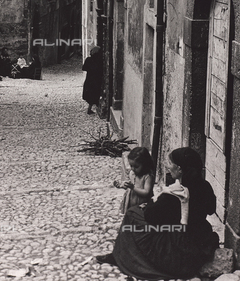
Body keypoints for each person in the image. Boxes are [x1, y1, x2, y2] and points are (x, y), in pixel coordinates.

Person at [96, 147, 219, 280]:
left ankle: (124, 257)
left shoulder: (175, 193)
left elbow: (151, 216)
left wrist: (150, 204)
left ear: (180, 169)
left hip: (178, 242)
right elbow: (211, 209)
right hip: (199, 236)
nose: (168, 167)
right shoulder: (204, 186)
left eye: (170, 164)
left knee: (132, 215)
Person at [114, 147, 154, 215]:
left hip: (142, 204)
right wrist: (122, 185)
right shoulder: (132, 173)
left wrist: (133, 188)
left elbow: (146, 192)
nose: (133, 168)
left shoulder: (147, 176)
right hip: (131, 202)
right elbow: (129, 186)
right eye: (131, 166)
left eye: (136, 166)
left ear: (145, 164)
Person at [82, 46, 103, 114]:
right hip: (97, 79)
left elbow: (84, 68)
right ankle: (97, 108)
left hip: (89, 79)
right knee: (96, 93)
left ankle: (91, 108)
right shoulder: (100, 61)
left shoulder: (88, 60)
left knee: (91, 94)